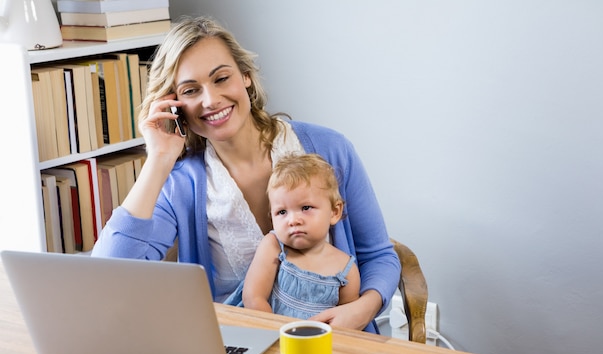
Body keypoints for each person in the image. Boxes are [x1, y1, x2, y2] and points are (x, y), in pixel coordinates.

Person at [91, 16, 400, 333]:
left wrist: (364, 308)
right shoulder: (182, 183)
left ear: (246, 77)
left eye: (221, 78)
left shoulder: (330, 149)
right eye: (191, 90)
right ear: (174, 105)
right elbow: (108, 276)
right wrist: (158, 159)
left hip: (337, 342)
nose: (211, 100)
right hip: (237, 347)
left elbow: (379, 255)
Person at [242, 153, 361, 319]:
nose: (293, 220)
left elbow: (348, 320)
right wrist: (280, 336)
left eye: (306, 208)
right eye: (282, 212)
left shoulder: (346, 269)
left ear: (334, 212)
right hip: (270, 335)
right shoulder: (274, 246)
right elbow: (253, 298)